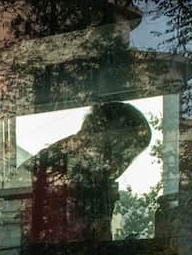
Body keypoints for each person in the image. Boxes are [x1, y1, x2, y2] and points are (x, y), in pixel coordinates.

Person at [25, 101, 153, 245]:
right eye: (122, 152)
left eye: (129, 158)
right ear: (98, 133)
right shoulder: (55, 169)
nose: (122, 165)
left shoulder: (92, 176)